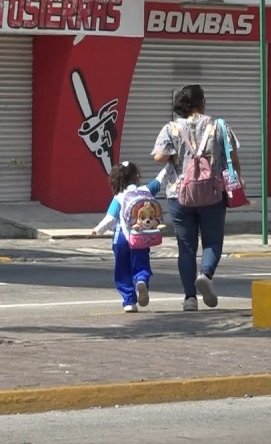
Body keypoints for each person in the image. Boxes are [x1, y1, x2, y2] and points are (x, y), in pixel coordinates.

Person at [151, 84, 242, 312]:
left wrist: (174, 153)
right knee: (212, 241)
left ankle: (189, 298)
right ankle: (206, 275)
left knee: (186, 247)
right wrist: (236, 183)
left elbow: (159, 156)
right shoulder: (219, 126)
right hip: (213, 193)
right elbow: (233, 158)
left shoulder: (171, 128)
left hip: (179, 195)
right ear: (202, 102)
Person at [91, 161, 170, 313]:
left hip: (121, 238)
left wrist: (97, 230)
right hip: (141, 237)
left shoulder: (119, 197)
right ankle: (141, 281)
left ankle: (129, 301)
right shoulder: (145, 190)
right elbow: (160, 180)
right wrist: (169, 165)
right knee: (141, 265)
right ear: (137, 177)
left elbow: (110, 219)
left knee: (122, 270)